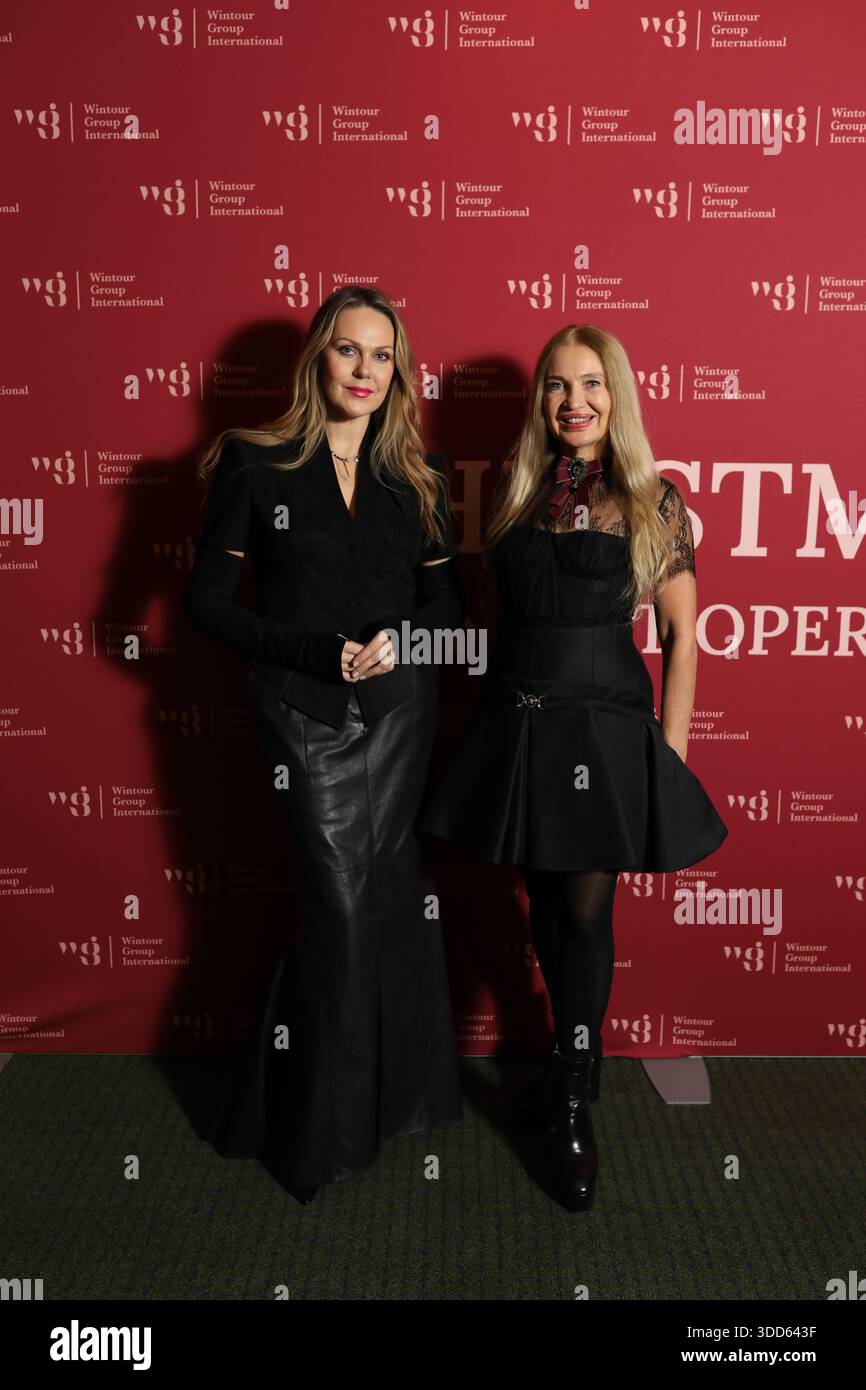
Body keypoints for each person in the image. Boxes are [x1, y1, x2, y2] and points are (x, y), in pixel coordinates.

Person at [419, 323, 728, 1213]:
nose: (574, 402)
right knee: (544, 906)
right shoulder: (517, 492)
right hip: (519, 730)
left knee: (585, 914)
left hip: (606, 733)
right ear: (541, 400)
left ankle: (573, 1097)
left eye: (591, 384)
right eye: (557, 386)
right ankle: (566, 1067)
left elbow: (679, 637)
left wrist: (666, 758)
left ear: (616, 396)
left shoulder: (650, 497)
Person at [182, 285, 465, 1205]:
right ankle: (315, 1137)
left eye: (383, 357)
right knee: (338, 911)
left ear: (398, 371)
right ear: (318, 358)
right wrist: (313, 651)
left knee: (387, 904)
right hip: (302, 715)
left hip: (400, 711)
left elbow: (450, 608)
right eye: (350, 351)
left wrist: (408, 640)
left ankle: (391, 1108)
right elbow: (207, 605)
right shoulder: (255, 465)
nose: (365, 372)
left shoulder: (414, 474)